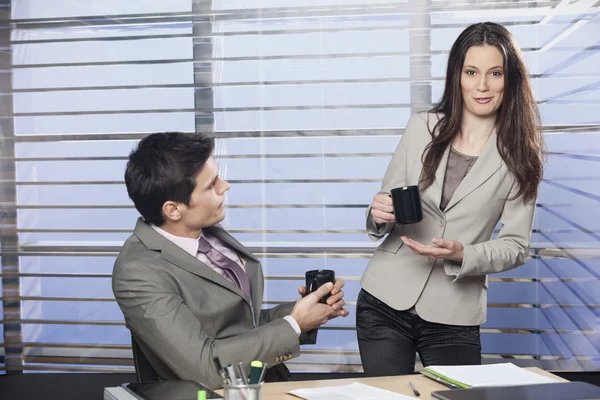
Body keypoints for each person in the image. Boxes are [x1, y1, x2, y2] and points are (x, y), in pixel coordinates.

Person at [356, 22, 545, 376]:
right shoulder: (421, 128)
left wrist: (463, 253)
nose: (482, 86)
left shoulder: (520, 157)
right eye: (472, 72)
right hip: (384, 298)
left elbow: (517, 245)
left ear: (511, 80)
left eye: (495, 73)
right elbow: (386, 205)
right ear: (457, 75)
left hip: (455, 310)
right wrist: (379, 213)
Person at [112, 132, 349, 389]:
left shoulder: (208, 232)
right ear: (173, 209)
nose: (225, 186)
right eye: (212, 185)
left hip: (263, 386)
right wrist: (294, 324)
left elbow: (241, 324)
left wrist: (305, 310)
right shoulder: (138, 272)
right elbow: (204, 368)